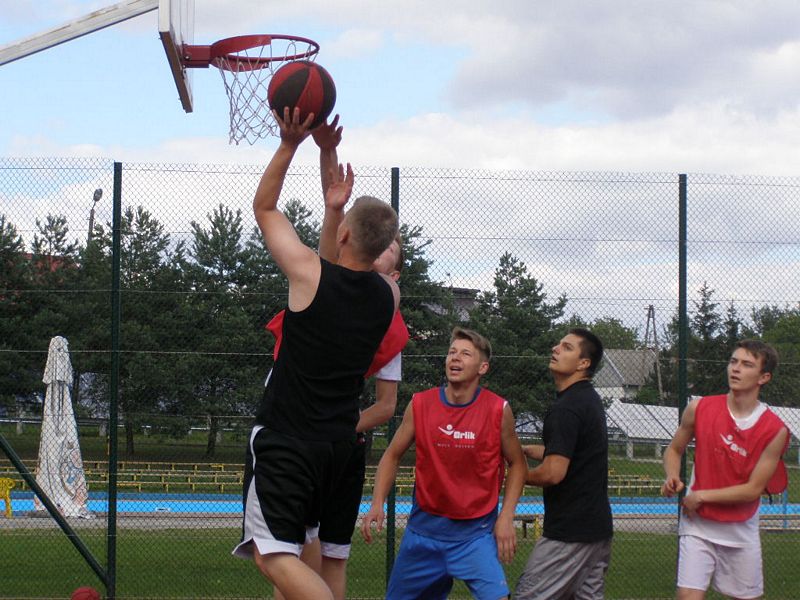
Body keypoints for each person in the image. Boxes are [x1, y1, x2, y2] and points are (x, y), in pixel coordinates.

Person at [232, 107, 400, 600]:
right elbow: (339, 267)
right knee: (304, 555)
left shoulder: (308, 274)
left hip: (289, 440)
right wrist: (329, 165)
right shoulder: (387, 296)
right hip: (337, 448)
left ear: (346, 233)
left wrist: (290, 143)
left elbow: (265, 208)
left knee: (271, 554)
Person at [362, 327, 527, 600]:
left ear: (483, 367)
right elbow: (391, 455)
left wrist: (506, 517)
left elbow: (518, 464)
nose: (455, 358)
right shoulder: (421, 404)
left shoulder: (498, 410)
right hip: (423, 533)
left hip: (474, 535)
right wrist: (377, 502)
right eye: (452, 352)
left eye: (465, 354)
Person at [661, 339, 789, 600]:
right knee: (687, 596)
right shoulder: (699, 408)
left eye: (747, 364)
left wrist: (701, 496)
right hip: (697, 525)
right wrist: (672, 475)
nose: (736, 368)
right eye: (733, 361)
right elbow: (674, 450)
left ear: (764, 377)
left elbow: (752, 490)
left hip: (740, 530)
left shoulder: (775, 430)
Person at [515, 328, 612, 600]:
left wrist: (515, 474)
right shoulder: (587, 399)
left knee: (528, 596)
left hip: (570, 534)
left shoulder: (567, 408)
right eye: (558, 344)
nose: (555, 349)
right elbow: (572, 453)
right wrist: (525, 450)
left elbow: (553, 473)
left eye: (567, 347)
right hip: (597, 531)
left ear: (583, 364)